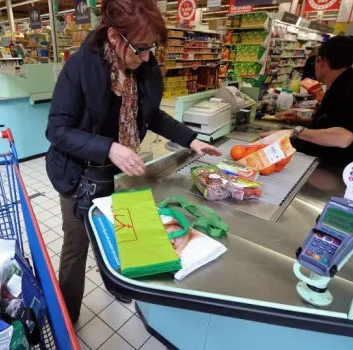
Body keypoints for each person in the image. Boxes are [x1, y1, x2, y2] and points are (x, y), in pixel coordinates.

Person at [45, 0, 221, 324]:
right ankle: (66, 320)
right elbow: (57, 130)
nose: (146, 56)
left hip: (118, 172)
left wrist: (192, 139)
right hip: (79, 174)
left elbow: (151, 116)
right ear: (113, 36)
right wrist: (109, 148)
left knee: (119, 232)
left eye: (151, 47)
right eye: (140, 47)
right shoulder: (81, 68)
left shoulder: (144, 68)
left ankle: (116, 282)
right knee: (77, 246)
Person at [263, 36, 353, 169]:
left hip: (342, 167)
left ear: (322, 61)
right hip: (339, 158)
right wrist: (301, 120)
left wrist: (294, 132)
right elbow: (334, 124)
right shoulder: (346, 86)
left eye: (315, 62)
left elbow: (343, 138)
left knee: (267, 148)